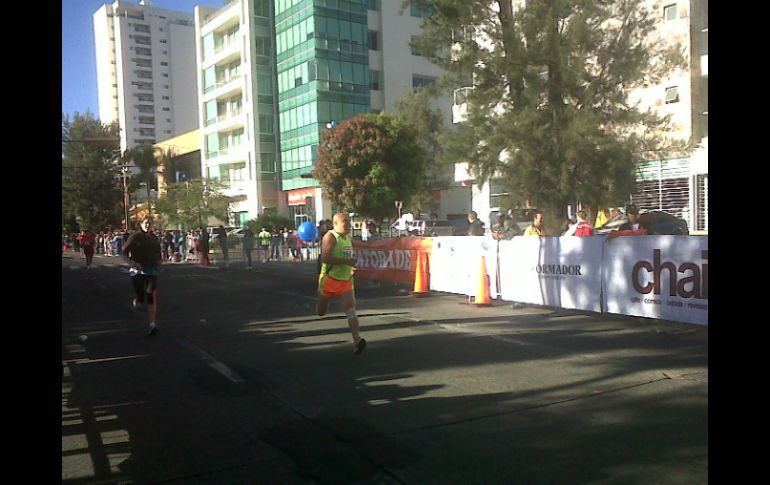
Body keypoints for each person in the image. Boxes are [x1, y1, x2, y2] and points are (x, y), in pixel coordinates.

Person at [317, 212, 367, 354]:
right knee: (321, 312)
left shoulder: (348, 239)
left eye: (349, 222)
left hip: (345, 280)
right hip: (329, 279)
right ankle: (325, 301)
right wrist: (346, 261)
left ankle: (357, 341)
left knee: (351, 310)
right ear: (336, 224)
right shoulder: (330, 237)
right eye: (345, 222)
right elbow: (325, 258)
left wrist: (351, 266)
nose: (349, 225)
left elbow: (349, 257)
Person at [123, 215, 162, 336]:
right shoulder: (135, 236)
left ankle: (152, 324)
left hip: (151, 269)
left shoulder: (154, 238)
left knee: (151, 294)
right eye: (146, 223)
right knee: (141, 297)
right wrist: (133, 263)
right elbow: (124, 252)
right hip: (137, 271)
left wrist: (159, 260)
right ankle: (137, 301)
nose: (148, 225)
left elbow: (158, 251)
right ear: (141, 224)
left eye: (150, 223)